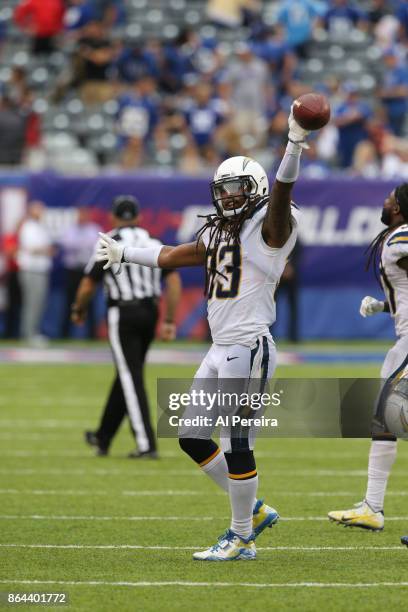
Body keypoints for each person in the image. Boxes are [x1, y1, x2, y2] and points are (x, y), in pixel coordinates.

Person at [96, 107, 315, 560]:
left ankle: (240, 536)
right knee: (192, 435)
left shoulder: (270, 227)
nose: (229, 196)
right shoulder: (219, 232)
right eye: (223, 189)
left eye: (237, 189)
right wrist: (124, 253)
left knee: (238, 441)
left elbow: (282, 192)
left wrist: (293, 144)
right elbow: (175, 254)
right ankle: (252, 511)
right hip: (220, 349)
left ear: (254, 191)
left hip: (250, 346)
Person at [72, 195, 181, 458]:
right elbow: (174, 281)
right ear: (139, 217)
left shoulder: (108, 240)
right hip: (151, 311)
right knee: (128, 373)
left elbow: (88, 284)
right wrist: (168, 320)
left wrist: (79, 308)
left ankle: (146, 444)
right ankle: (103, 436)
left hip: (123, 312)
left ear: (113, 216)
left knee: (130, 376)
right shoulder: (153, 241)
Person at [328, 183, 408, 532]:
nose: (385, 201)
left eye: (391, 198)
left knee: (387, 414)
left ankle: (373, 507)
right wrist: (383, 305)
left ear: (401, 207)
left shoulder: (401, 235)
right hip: (403, 340)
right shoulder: (395, 238)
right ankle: (372, 507)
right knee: (384, 418)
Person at [60, 207, 101, 338]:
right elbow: (67, 244)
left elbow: (97, 246)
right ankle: (64, 334)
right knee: (70, 302)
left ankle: (92, 335)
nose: (82, 217)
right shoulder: (70, 229)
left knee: (91, 302)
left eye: (84, 215)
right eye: (80, 215)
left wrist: (80, 245)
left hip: (88, 270)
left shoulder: (94, 229)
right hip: (72, 270)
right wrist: (83, 245)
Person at [17, 201, 53, 346]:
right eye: (38, 210)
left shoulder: (41, 227)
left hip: (41, 269)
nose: (41, 212)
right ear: (32, 211)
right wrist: (46, 250)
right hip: (31, 269)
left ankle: (33, 332)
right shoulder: (28, 227)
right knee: (32, 303)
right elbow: (31, 248)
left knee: (39, 303)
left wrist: (46, 249)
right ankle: (28, 334)